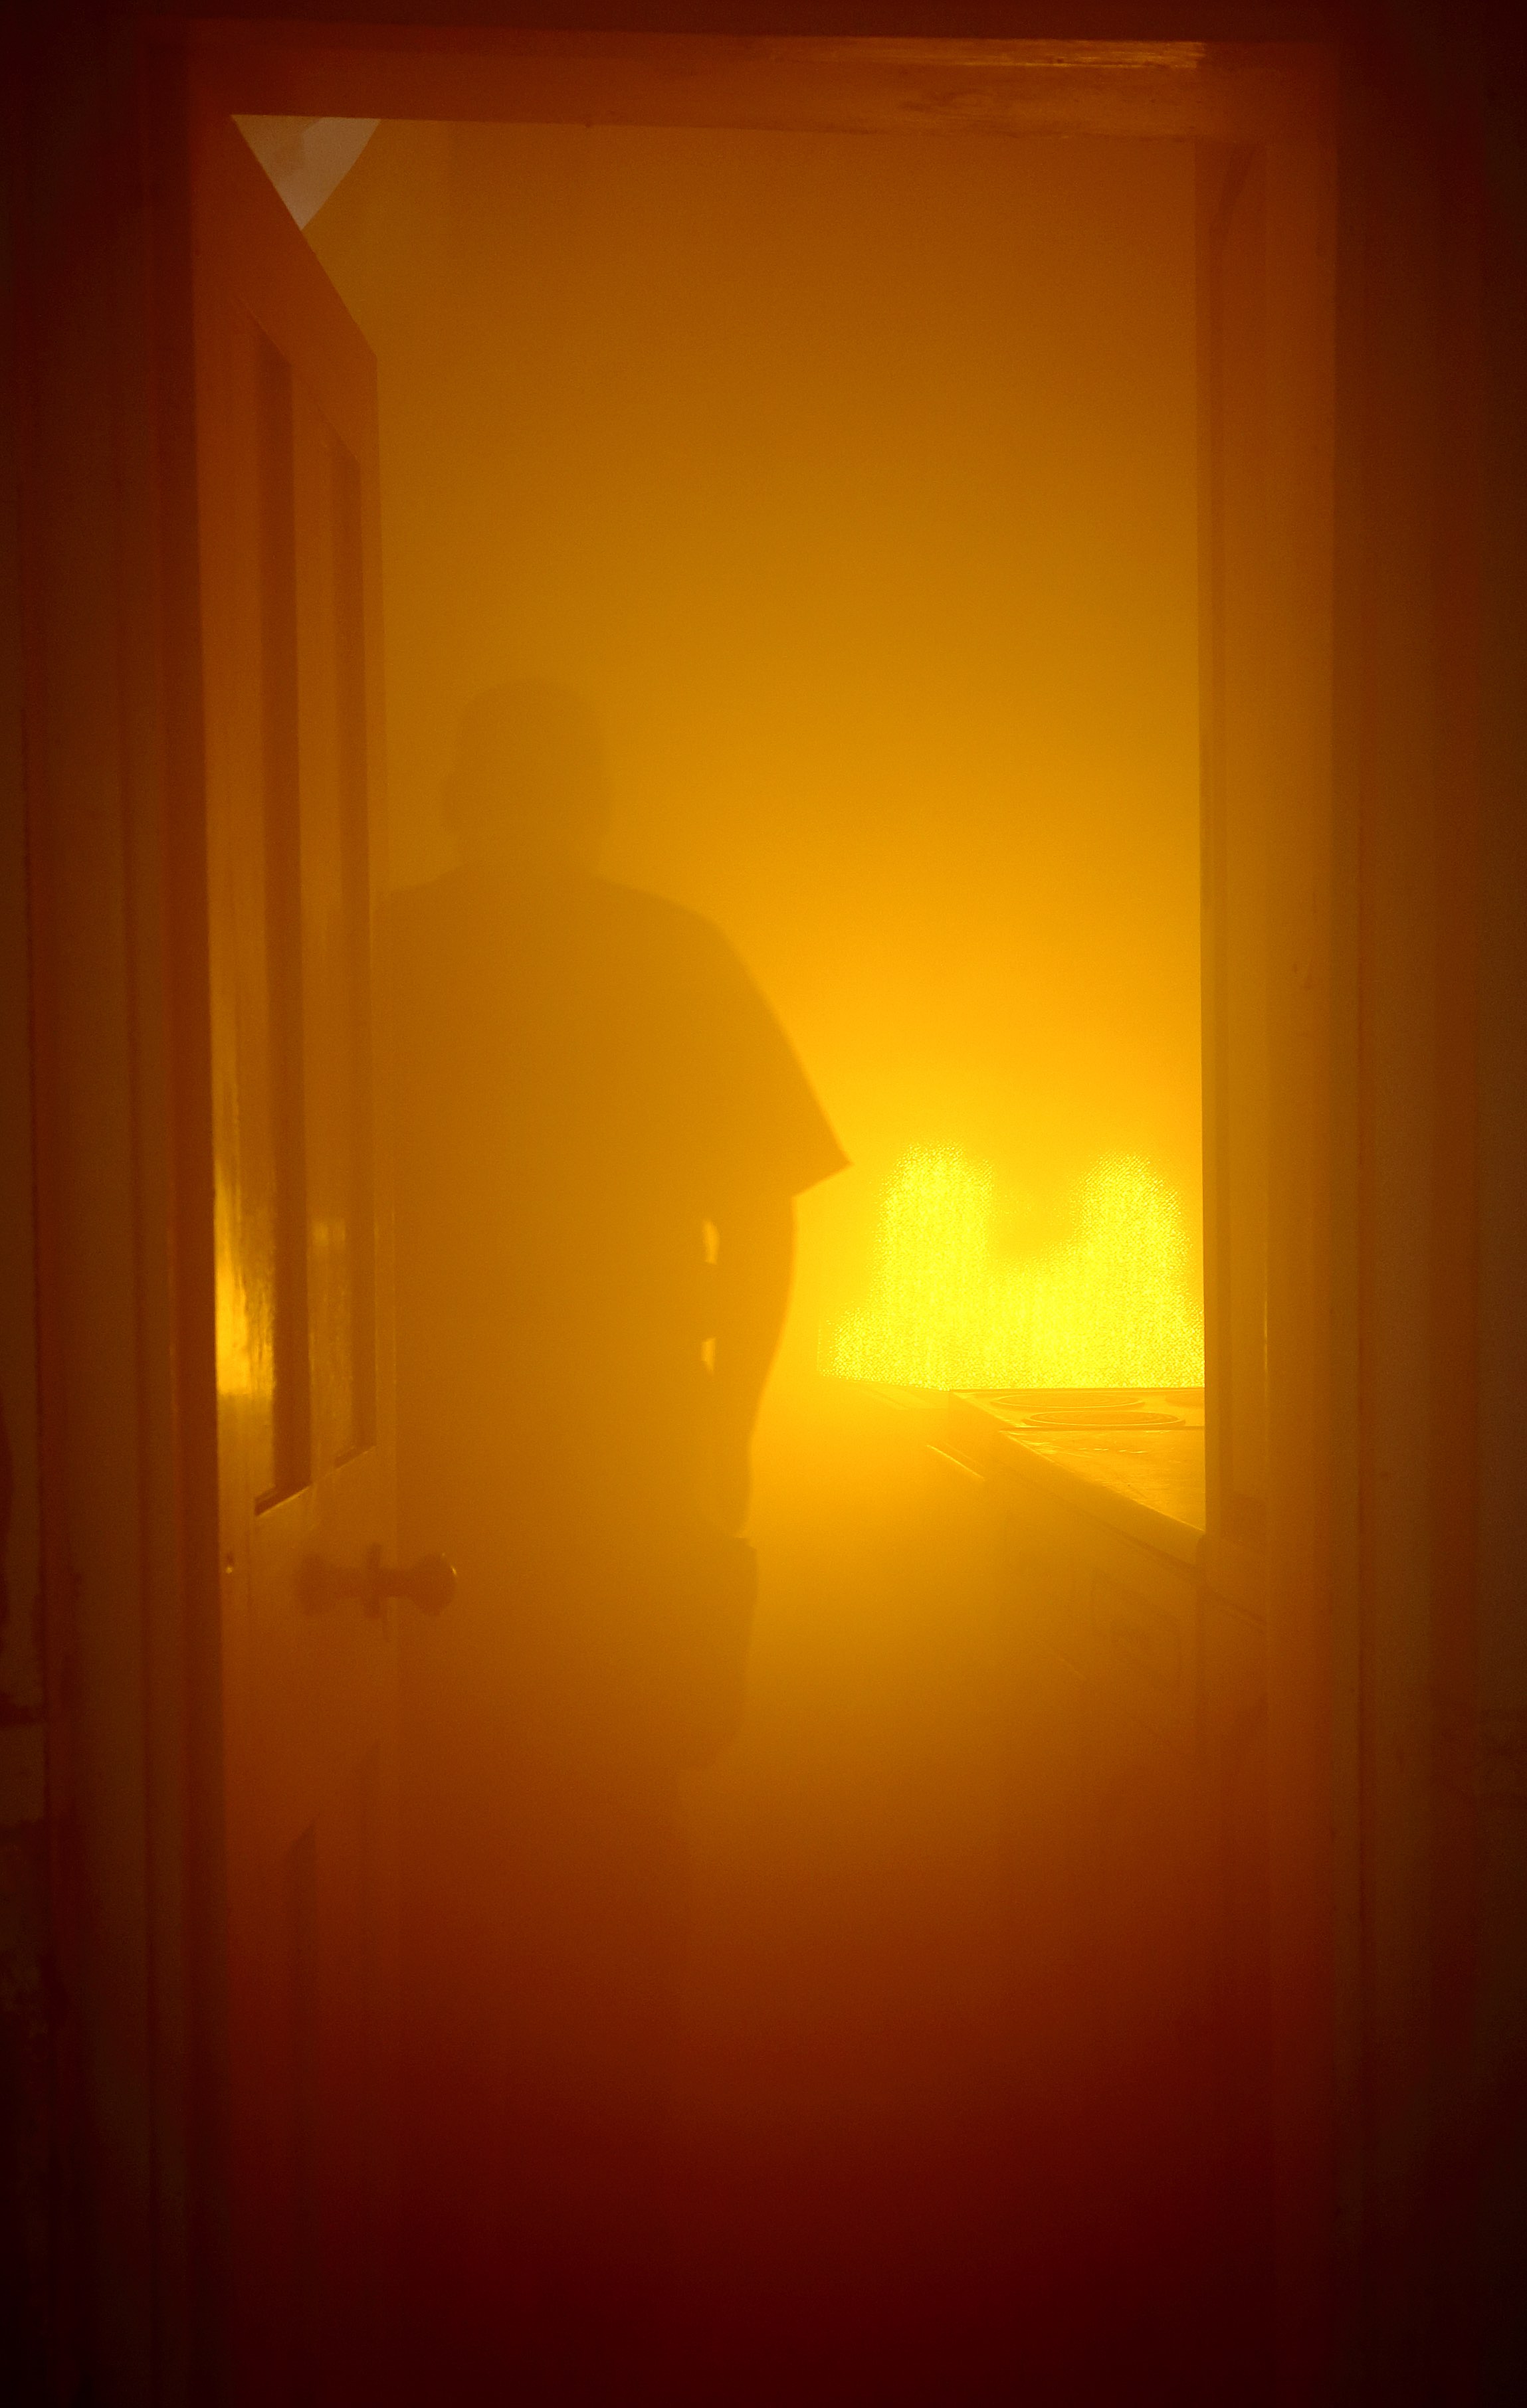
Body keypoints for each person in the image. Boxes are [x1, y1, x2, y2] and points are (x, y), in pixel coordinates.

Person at [389, 682, 845, 2399]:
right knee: (602, 1868)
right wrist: (721, 1420)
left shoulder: (388, 958)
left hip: (437, 1489)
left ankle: (452, 2249)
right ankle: (593, 2266)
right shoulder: (669, 951)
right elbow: (767, 1223)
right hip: (594, 1479)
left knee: (459, 1862)